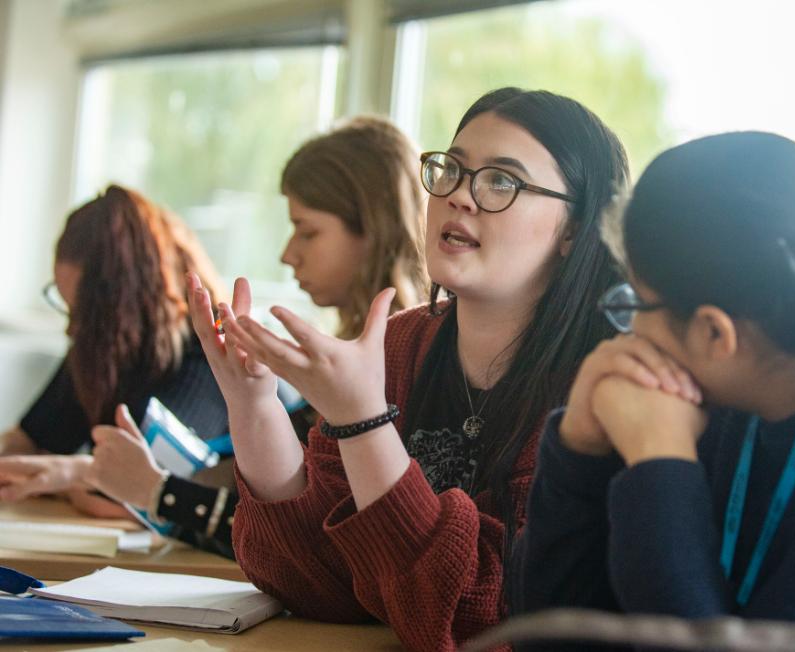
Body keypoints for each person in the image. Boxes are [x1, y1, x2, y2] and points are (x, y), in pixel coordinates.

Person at [186, 88, 629, 651]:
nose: (460, 198)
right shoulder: (400, 343)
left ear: (574, 229)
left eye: (501, 181)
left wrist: (364, 424)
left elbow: (492, 620)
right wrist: (253, 405)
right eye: (452, 170)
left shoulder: (599, 383)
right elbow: (317, 584)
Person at [514, 131, 795, 634]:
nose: (632, 330)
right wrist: (578, 451)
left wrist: (660, 462)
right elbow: (552, 637)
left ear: (713, 332)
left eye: (638, 302)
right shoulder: (717, 397)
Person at [65, 117, 428, 558]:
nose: (287, 253)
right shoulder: (349, 358)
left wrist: (157, 491)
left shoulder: (404, 364)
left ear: (374, 228)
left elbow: (316, 539)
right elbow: (278, 506)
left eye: (308, 230)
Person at [0, 185, 230, 535]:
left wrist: (70, 477)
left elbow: (129, 495)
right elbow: (30, 440)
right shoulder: (100, 343)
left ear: (125, 305)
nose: (71, 329)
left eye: (84, 314)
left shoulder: (211, 354)